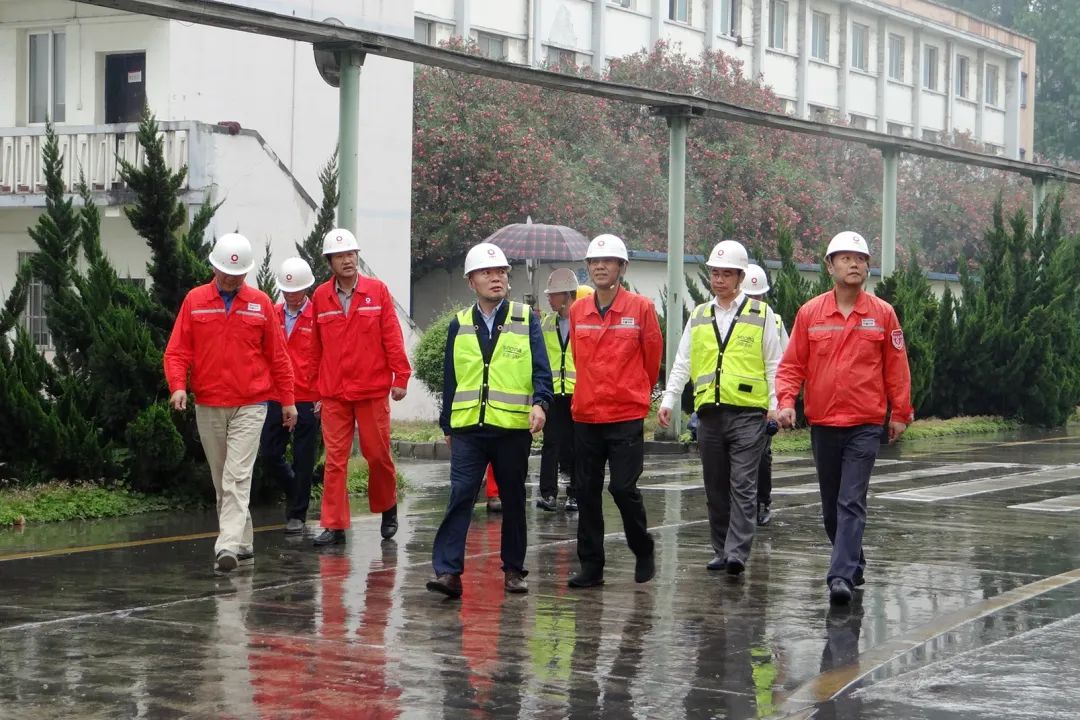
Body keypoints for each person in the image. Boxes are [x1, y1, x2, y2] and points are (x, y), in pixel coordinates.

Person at [776, 231, 913, 605]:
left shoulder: (882, 314)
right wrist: (786, 401)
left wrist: (900, 412)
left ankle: (840, 577)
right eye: (846, 258)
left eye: (861, 259)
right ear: (829, 266)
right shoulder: (811, 313)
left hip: (865, 424)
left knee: (851, 500)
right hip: (824, 423)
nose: (855, 264)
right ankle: (853, 562)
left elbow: (896, 368)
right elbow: (792, 365)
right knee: (831, 508)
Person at [426, 242, 553, 598]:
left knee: (512, 498)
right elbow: (451, 378)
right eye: (487, 273)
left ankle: (513, 570)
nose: (496, 278)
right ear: (471, 281)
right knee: (460, 495)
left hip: (511, 428)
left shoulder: (525, 318)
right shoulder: (460, 323)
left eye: (501, 272)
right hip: (468, 428)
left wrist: (541, 403)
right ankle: (448, 572)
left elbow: (541, 369)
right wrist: (447, 424)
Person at [164, 233, 297, 573]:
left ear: (247, 272)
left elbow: (279, 357)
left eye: (238, 274)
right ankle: (244, 540)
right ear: (214, 267)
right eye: (225, 272)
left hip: (251, 404)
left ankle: (226, 545)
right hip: (209, 402)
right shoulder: (195, 300)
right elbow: (177, 351)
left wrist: (288, 401)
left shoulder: (260, 303)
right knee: (222, 475)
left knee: (236, 476)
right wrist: (178, 387)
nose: (231, 279)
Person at [658, 241, 782, 576]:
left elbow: (774, 363)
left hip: (748, 415)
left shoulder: (761, 315)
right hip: (709, 415)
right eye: (715, 273)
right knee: (715, 487)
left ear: (741, 277)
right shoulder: (699, 315)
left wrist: (775, 405)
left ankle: (736, 552)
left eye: (727, 273)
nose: (720, 279)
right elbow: (682, 362)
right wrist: (669, 399)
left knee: (743, 484)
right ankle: (720, 549)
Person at [567, 234, 663, 588]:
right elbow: (578, 358)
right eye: (594, 262)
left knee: (623, 489)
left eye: (607, 261)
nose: (600, 267)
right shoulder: (578, 310)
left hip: (625, 416)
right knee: (586, 492)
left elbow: (652, 358)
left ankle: (643, 547)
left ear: (622, 267)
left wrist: (634, 391)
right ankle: (591, 566)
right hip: (586, 414)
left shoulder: (641, 308)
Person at [309, 228, 412, 547]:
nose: (348, 260)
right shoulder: (320, 297)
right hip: (334, 393)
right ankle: (334, 525)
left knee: (377, 455)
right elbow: (314, 348)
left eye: (351, 254)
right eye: (340, 256)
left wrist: (401, 376)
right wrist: (315, 392)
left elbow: (392, 336)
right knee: (335, 460)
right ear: (330, 262)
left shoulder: (377, 291)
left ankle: (387, 506)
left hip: (371, 390)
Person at [259, 257, 321, 535]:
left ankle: (297, 514)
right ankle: (296, 490)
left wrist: (322, 395)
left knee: (303, 458)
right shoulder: (272, 314)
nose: (291, 296)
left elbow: (326, 357)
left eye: (296, 291)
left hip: (307, 396)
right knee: (269, 453)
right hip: (276, 394)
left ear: (307, 288)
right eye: (286, 291)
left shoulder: (318, 317)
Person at [742, 262, 790, 527]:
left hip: (763, 402)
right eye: (750, 296)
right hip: (734, 400)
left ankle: (761, 502)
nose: (754, 301)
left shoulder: (774, 320)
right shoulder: (727, 318)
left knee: (761, 456)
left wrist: (778, 402)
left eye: (758, 296)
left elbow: (785, 363)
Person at [537, 267, 579, 513]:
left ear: (567, 295)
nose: (549, 299)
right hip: (552, 393)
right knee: (550, 444)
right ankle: (548, 494)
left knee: (576, 446)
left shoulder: (583, 321)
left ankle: (575, 495)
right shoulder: (545, 324)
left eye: (553, 294)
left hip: (577, 393)